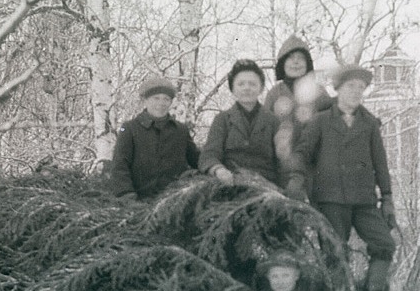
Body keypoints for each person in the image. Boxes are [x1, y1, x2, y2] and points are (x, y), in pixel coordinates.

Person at [292, 65, 396, 291]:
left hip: (364, 200)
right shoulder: (320, 121)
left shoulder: (369, 124)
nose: (356, 92)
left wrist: (388, 197)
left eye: (361, 88)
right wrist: (296, 179)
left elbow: (380, 163)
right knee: (336, 252)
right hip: (331, 199)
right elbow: (301, 153)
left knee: (385, 244)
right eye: (351, 87)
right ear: (337, 90)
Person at [199, 60, 287, 193]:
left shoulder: (273, 121)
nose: (247, 88)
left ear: (261, 88)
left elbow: (283, 163)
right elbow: (210, 154)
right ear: (233, 88)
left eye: (252, 84)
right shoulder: (222, 120)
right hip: (230, 186)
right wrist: (219, 170)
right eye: (241, 84)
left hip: (266, 189)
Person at [109, 75, 199, 200]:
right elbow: (119, 165)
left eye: (166, 99)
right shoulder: (129, 128)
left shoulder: (180, 130)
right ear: (145, 101)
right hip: (139, 200)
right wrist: (126, 194)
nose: (161, 103)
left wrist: (215, 166)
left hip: (175, 200)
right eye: (156, 98)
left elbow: (196, 159)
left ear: (170, 103)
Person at [265, 35, 333, 189]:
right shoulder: (274, 94)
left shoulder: (318, 92)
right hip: (283, 168)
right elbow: (264, 129)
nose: (296, 62)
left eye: (301, 58)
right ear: (282, 64)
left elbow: (336, 114)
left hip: (314, 167)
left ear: (308, 64)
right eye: (290, 58)